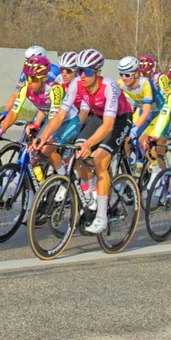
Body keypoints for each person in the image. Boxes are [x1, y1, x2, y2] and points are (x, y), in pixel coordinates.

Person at [59, 49, 123, 235]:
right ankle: (91, 192)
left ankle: (102, 217)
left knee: (100, 160)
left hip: (118, 119)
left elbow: (109, 125)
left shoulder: (110, 86)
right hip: (98, 117)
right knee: (77, 151)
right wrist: (44, 137)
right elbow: (60, 115)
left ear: (97, 72)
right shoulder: (77, 84)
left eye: (87, 72)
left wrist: (89, 144)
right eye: (79, 71)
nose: (82, 76)